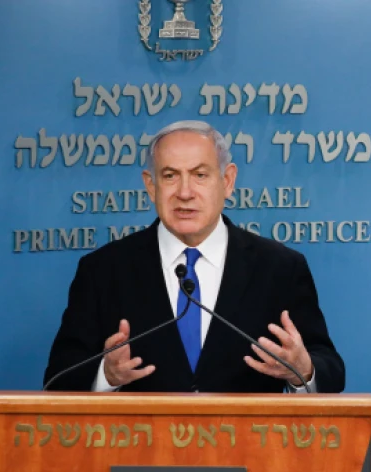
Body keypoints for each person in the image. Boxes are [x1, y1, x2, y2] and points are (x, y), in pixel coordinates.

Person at [44, 120, 344, 393]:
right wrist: (105, 375)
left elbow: (329, 369)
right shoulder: (103, 270)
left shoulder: (279, 267)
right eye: (170, 176)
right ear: (151, 185)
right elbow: (58, 378)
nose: (185, 192)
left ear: (227, 181)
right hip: (137, 449)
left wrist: (303, 370)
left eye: (200, 175)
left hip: (249, 448)